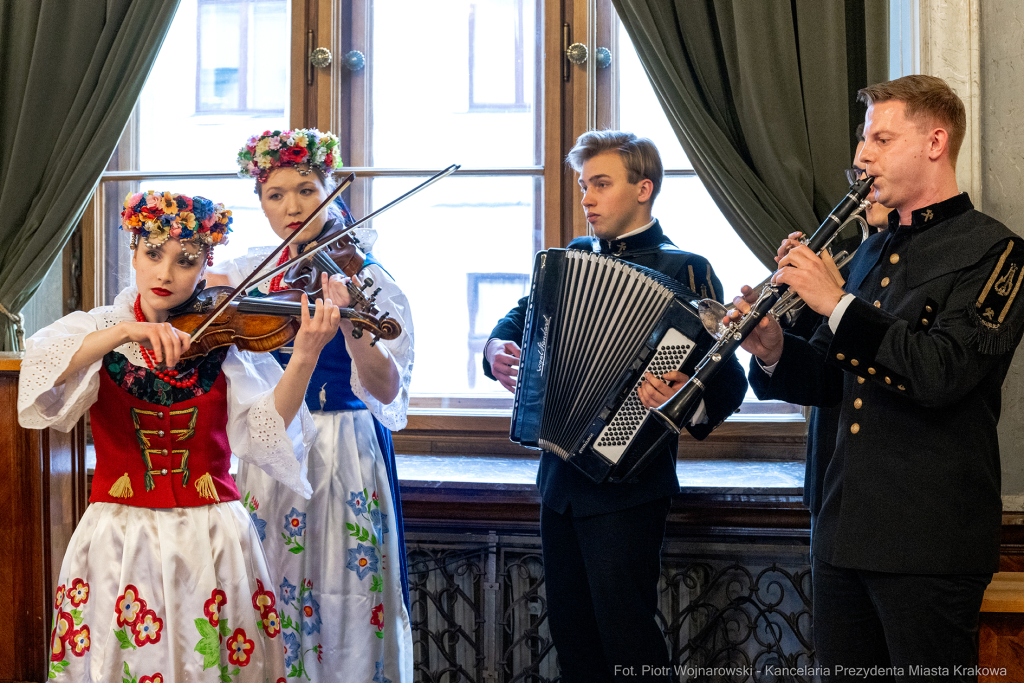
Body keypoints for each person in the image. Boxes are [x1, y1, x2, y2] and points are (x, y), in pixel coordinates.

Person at [732, 75, 1024, 679]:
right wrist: (771, 346)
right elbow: (829, 381)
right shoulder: (868, 251)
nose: (862, 156)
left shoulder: (997, 253)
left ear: (936, 142)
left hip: (928, 541)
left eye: (882, 139)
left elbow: (942, 371)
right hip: (841, 527)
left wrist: (836, 304)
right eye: (865, 140)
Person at [19, 190, 340, 681]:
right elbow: (38, 382)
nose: (165, 274)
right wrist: (125, 332)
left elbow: (264, 434)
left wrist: (305, 355)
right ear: (133, 252)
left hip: (210, 535)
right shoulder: (98, 330)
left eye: (186, 261)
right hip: (119, 537)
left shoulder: (225, 336)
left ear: (205, 266)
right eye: (153, 254)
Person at [483, 131, 747, 683]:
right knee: (572, 637)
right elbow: (518, 320)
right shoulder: (571, 259)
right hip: (559, 484)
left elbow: (727, 383)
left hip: (630, 485)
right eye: (584, 185)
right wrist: (495, 350)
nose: (587, 198)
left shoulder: (688, 270)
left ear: (643, 189)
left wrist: (682, 399)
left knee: (628, 640)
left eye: (601, 184)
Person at [206, 128, 414, 682]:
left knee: (346, 592)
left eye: (305, 190)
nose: (293, 207)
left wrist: (355, 333)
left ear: (329, 189)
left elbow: (389, 391)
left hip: (343, 443)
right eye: (276, 196)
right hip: (272, 448)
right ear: (261, 202)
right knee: (272, 589)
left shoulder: (365, 276)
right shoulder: (252, 273)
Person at [781, 123, 891, 532]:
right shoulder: (859, 254)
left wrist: (834, 295)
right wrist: (772, 345)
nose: (863, 183)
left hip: (889, 494)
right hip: (829, 477)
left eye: (882, 142)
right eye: (856, 175)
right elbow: (818, 373)